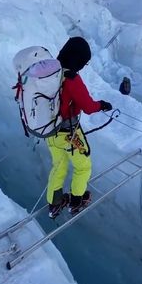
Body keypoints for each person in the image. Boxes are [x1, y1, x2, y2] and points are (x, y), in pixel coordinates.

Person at [47, 36, 113, 218]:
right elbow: (89, 107)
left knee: (58, 166)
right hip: (69, 133)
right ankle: (77, 201)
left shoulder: (50, 72)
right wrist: (102, 105)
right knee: (83, 166)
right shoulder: (71, 79)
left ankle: (54, 202)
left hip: (50, 132)